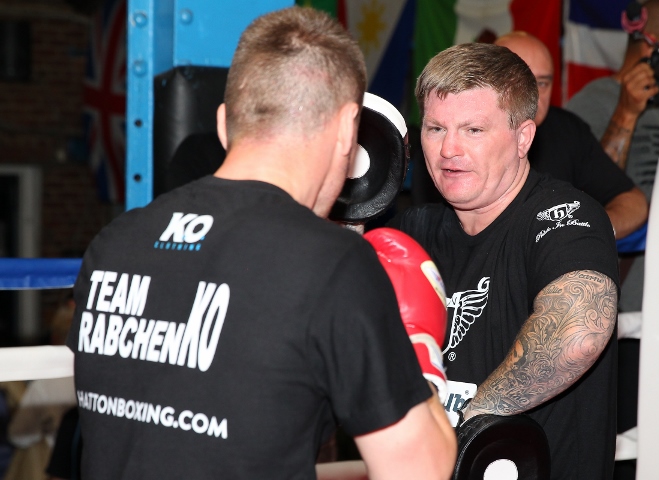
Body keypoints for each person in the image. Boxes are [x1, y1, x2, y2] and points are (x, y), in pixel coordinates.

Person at [67, 7, 456, 479]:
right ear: (347, 132)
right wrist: (417, 344)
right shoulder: (329, 263)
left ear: (223, 123)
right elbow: (418, 469)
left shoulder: (114, 242)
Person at [390, 42, 619, 479]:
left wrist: (466, 427)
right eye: (435, 128)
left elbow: (578, 333)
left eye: (473, 130)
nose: (448, 149)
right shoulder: (412, 230)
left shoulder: (565, 217)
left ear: (523, 137)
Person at [565, 0, 659, 312]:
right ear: (651, 46)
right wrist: (626, 113)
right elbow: (585, 193)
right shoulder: (592, 100)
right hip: (617, 281)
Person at [495, 32, 648, 240]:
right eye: (519, 82)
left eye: (542, 83)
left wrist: (588, 232)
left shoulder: (567, 130)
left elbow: (633, 201)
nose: (533, 95)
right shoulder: (461, 135)